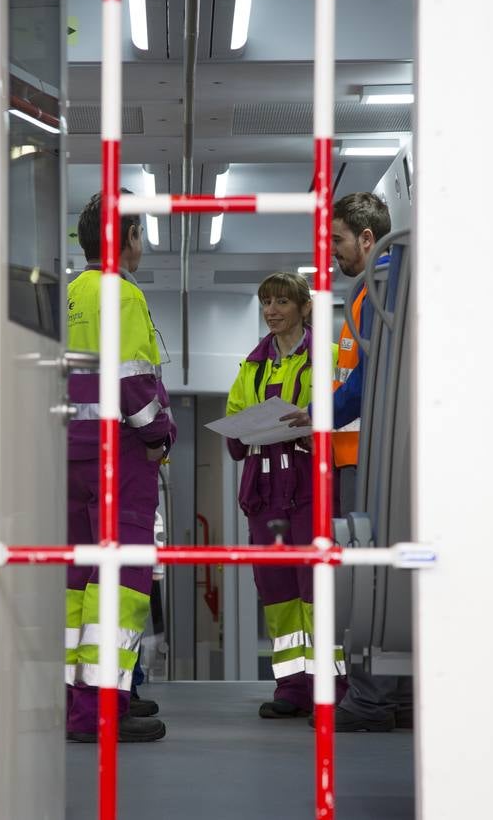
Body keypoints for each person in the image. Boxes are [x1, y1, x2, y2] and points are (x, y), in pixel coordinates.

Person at [286, 192, 412, 732]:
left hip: (372, 463)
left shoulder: (377, 291)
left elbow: (364, 383)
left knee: (371, 571)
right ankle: (398, 694)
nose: (330, 251)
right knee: (391, 569)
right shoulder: (378, 291)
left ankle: (371, 696)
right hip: (371, 456)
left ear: (367, 238)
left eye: (336, 240)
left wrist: (317, 416)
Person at [65, 192, 176, 743]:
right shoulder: (122, 294)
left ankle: (80, 705)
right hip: (119, 458)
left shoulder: (69, 294)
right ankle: (101, 710)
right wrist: (161, 437)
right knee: (122, 585)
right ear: (129, 238)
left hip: (71, 455)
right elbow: (136, 385)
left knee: (80, 584)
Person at [225, 272, 347, 719]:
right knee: (276, 590)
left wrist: (319, 432)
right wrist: (242, 433)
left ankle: (330, 688)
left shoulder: (329, 357)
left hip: (312, 485)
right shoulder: (251, 365)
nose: (272, 311)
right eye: (266, 303)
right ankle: (291, 688)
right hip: (264, 491)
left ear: (303, 307)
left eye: (281, 302)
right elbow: (234, 427)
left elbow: (349, 422)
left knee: (317, 587)